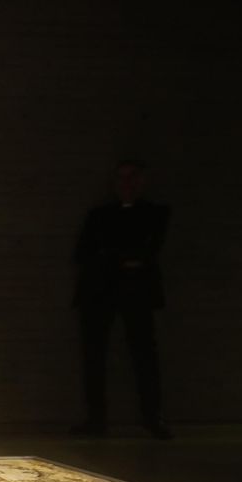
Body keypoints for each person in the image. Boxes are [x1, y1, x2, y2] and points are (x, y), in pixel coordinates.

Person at [73, 160, 172, 439]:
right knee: (94, 357)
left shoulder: (155, 213)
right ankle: (96, 419)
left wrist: (110, 257)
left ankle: (152, 417)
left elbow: (146, 252)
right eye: (121, 178)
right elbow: (83, 253)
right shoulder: (99, 215)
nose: (126, 184)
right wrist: (124, 259)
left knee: (144, 356)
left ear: (142, 181)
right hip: (99, 292)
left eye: (132, 178)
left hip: (134, 293)